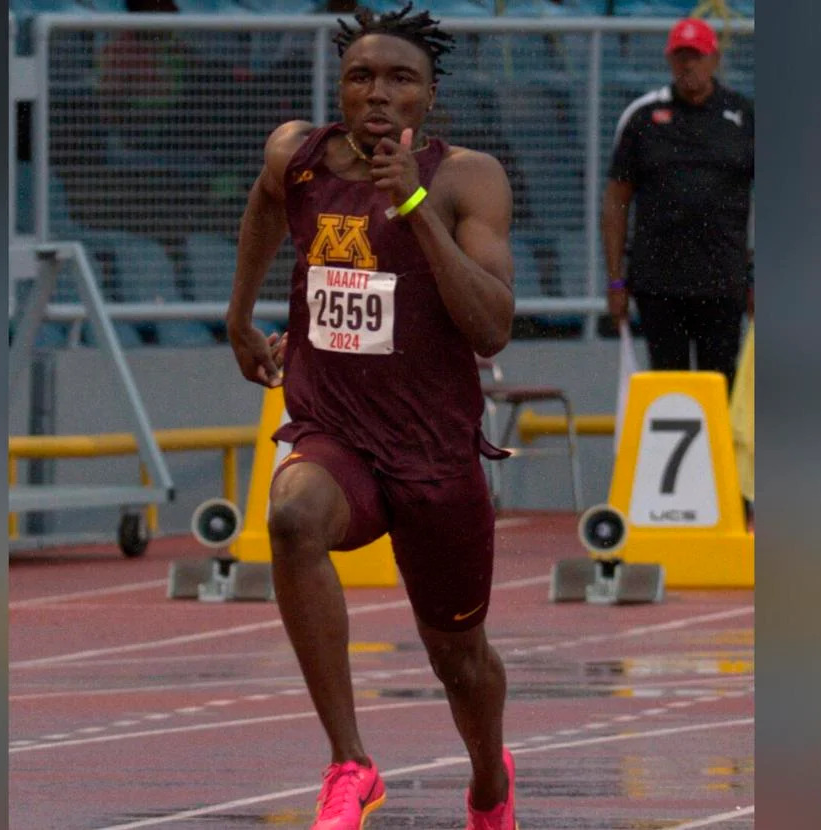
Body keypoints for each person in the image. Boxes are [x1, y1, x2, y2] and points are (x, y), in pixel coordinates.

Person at [225, 5, 520, 828]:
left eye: (400, 79)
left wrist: (416, 205)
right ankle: (350, 762)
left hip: (434, 452)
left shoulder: (466, 178)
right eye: (361, 76)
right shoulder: (298, 154)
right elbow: (264, 205)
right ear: (340, 88)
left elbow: (492, 325)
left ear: (428, 96)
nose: (378, 93)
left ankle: (490, 785)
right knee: (290, 516)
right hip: (337, 429)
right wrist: (240, 316)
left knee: (459, 660)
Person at [602, 17, 754, 392]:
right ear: (669, 60)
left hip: (724, 281)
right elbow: (616, 201)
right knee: (667, 388)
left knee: (720, 387)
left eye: (696, 56)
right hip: (659, 283)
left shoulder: (745, 116)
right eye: (680, 56)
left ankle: (721, 455)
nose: (688, 65)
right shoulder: (642, 118)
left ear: (714, 59)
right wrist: (615, 278)